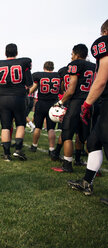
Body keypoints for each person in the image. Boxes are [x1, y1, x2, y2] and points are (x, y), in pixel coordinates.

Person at [67, 19, 108, 201]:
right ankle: (87, 181)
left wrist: (87, 104)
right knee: (93, 142)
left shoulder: (104, 42)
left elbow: (102, 79)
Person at [54, 44, 96, 172]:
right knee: (86, 137)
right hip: (90, 102)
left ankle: (67, 165)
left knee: (67, 134)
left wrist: (60, 102)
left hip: (76, 103)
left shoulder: (75, 64)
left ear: (76, 55)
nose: (71, 57)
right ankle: (93, 168)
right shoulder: (94, 66)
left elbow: (71, 90)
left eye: (72, 54)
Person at [0, 43, 33, 161]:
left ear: (5, 53)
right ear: (16, 53)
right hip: (19, 97)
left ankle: (6, 154)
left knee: (5, 126)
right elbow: (29, 83)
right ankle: (18, 150)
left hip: (3, 98)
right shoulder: (24, 62)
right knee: (20, 124)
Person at [28, 61, 61, 155]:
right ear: (53, 68)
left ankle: (34, 146)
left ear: (44, 67)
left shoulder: (39, 75)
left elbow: (32, 90)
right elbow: (61, 89)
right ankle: (51, 149)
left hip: (41, 103)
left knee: (38, 127)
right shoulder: (58, 76)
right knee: (51, 129)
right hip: (53, 104)